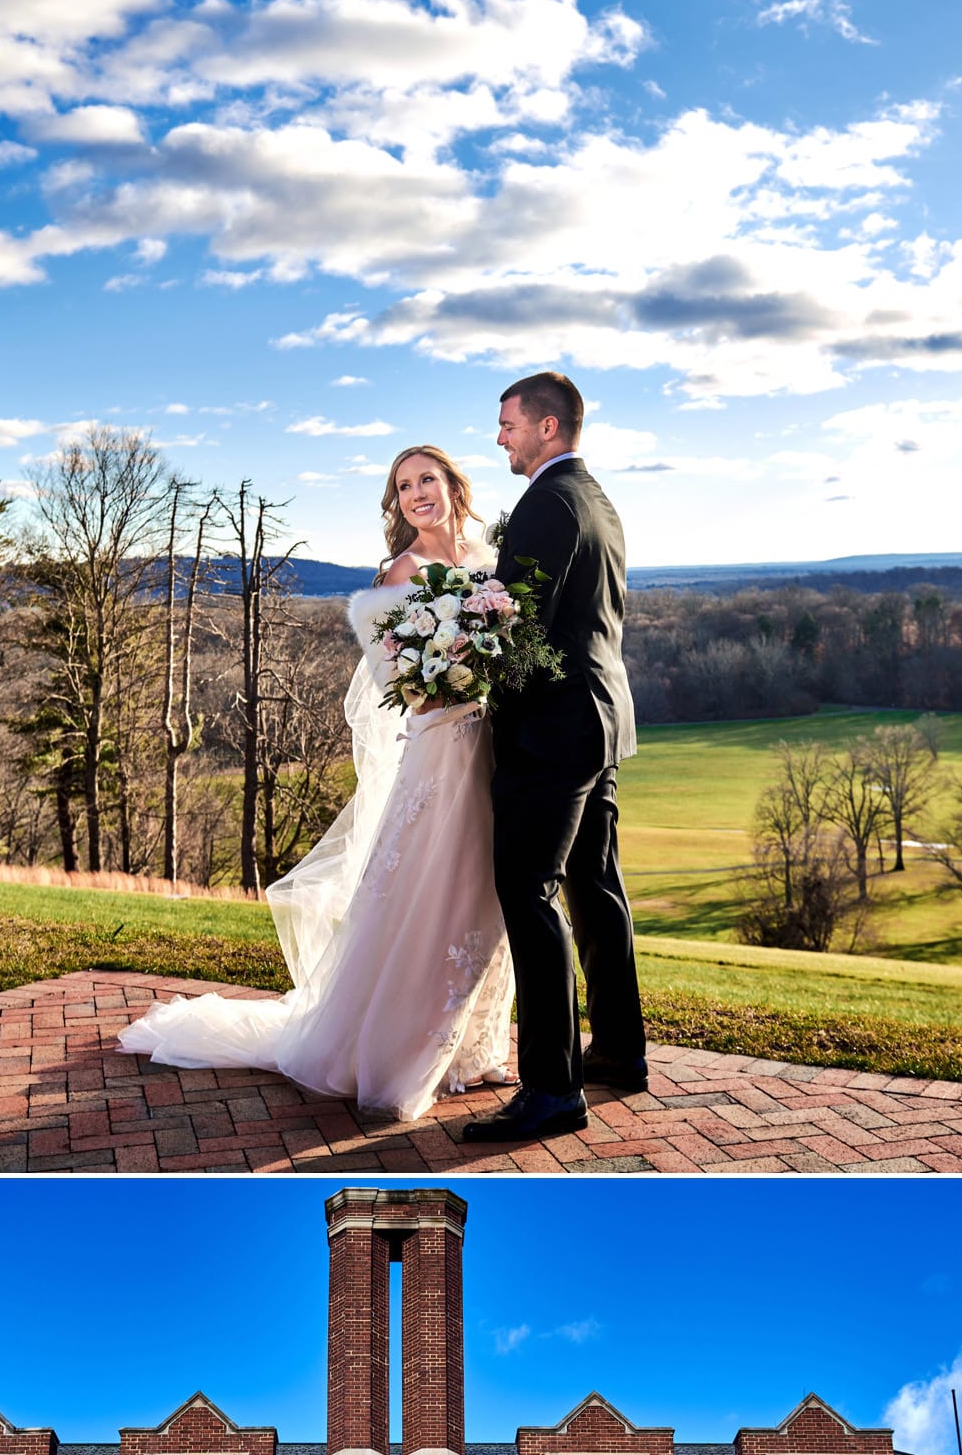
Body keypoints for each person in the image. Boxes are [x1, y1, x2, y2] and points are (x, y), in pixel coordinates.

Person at [115, 445, 513, 1122]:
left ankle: (476, 1048)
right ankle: (400, 1051)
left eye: (428, 479)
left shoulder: (487, 564)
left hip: (494, 753)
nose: (417, 493)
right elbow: (404, 687)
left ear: (454, 485)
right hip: (442, 750)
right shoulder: (403, 570)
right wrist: (462, 671)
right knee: (433, 894)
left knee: (487, 895)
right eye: (404, 485)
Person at [461, 369, 647, 1147]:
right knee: (594, 885)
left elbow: (515, 628)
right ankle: (619, 1051)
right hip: (600, 721)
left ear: (545, 426)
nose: (499, 435)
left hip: (551, 730)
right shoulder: (596, 500)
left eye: (507, 423)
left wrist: (461, 663)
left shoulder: (545, 502)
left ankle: (550, 1088)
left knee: (528, 893)